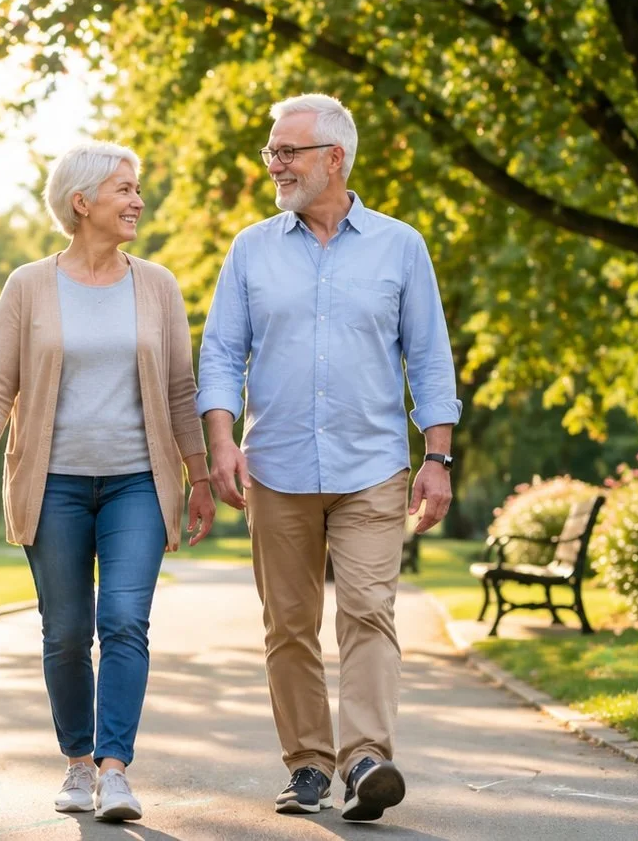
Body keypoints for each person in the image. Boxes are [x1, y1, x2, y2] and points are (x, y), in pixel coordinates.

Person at [196, 94, 462, 823]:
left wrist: (437, 456)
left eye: (287, 151)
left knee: (369, 611)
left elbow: (429, 357)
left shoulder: (399, 245)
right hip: (275, 466)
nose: (274, 164)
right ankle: (309, 763)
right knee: (287, 621)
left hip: (372, 465)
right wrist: (220, 442)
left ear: (333, 159)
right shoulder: (251, 247)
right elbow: (219, 351)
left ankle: (366, 757)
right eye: (271, 153)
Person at [0, 140, 214, 822]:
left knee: (123, 620)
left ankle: (114, 769)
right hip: (54, 483)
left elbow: (181, 390)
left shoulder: (155, 284)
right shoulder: (28, 285)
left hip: (137, 481)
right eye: (124, 189)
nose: (137, 200)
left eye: (136, 188)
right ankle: (75, 761)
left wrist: (201, 477)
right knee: (65, 630)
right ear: (81, 202)